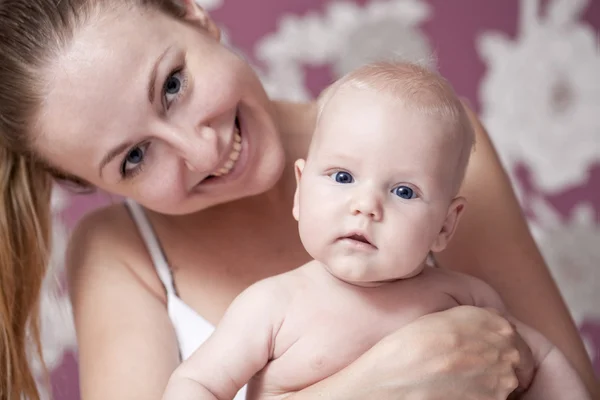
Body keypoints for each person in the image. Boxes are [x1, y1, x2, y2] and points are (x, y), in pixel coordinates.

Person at [0, 0, 596, 399]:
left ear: (192, 15)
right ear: (93, 185)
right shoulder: (120, 252)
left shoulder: (429, 141)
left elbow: (550, 372)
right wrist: (370, 387)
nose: (202, 152)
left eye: (173, 86)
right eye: (133, 158)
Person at [160, 61, 590, 400]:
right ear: (300, 192)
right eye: (343, 177)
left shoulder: (465, 298)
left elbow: (538, 360)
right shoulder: (271, 307)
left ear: (445, 224)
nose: (366, 206)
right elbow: (198, 384)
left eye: (403, 190)